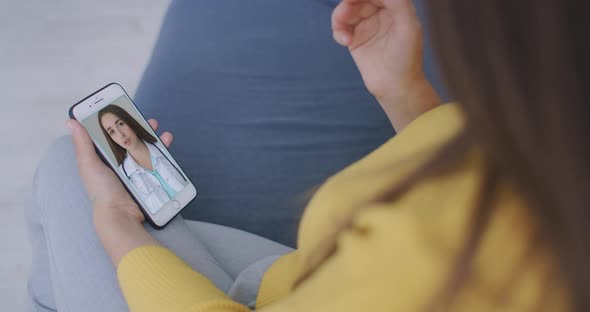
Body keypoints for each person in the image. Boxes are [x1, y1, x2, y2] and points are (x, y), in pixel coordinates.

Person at [26, 0, 587, 311]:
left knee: (66, 176)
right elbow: (461, 183)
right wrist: (404, 91)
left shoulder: (471, 267)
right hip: (292, 278)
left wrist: (117, 224)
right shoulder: (551, 157)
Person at [97, 105, 188, 214]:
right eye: (112, 132)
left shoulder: (161, 146)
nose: (121, 135)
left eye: (121, 124)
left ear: (129, 122)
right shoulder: (122, 176)